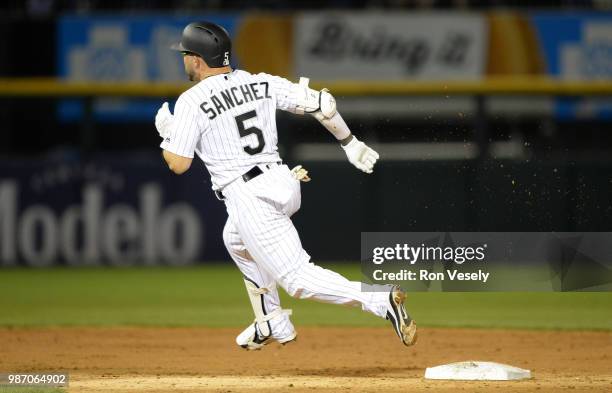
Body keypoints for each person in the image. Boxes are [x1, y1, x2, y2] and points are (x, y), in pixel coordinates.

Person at [154, 21, 417, 350]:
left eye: (185, 54)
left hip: (249, 194)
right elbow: (322, 103)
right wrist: (349, 142)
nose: (183, 60)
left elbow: (178, 163)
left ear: (196, 59)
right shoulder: (259, 81)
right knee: (235, 239)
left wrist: (167, 132)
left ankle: (380, 300)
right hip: (281, 181)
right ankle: (271, 321)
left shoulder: (192, 101)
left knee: (296, 278)